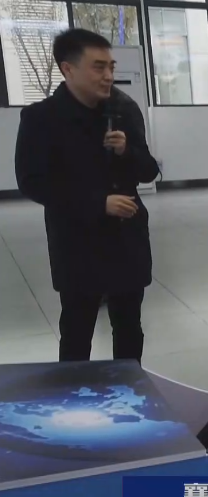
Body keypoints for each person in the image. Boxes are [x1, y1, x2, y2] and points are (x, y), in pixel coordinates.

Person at [14, 29, 160, 362]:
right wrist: (98, 203)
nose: (108, 75)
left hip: (126, 240)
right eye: (98, 67)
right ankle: (74, 393)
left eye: (111, 66)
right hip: (78, 244)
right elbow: (33, 182)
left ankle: (128, 387)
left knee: (129, 328)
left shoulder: (123, 110)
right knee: (77, 333)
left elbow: (149, 170)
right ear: (68, 69)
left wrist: (127, 151)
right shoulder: (41, 119)